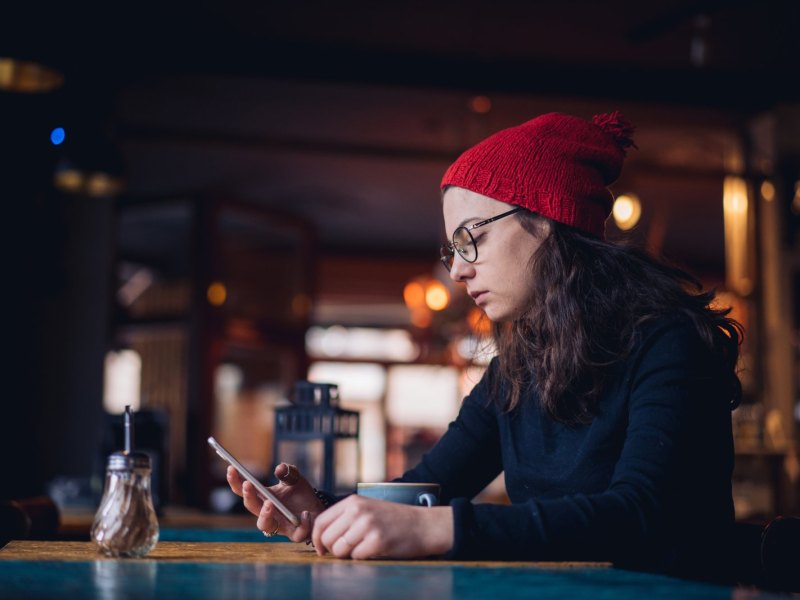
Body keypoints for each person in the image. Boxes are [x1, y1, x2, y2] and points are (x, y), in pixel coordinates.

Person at [226, 110, 743, 580]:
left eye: (471, 237)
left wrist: (439, 529)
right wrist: (322, 509)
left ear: (544, 219)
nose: (457, 269)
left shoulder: (667, 343)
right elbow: (429, 488)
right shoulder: (516, 370)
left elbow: (638, 514)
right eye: (452, 249)